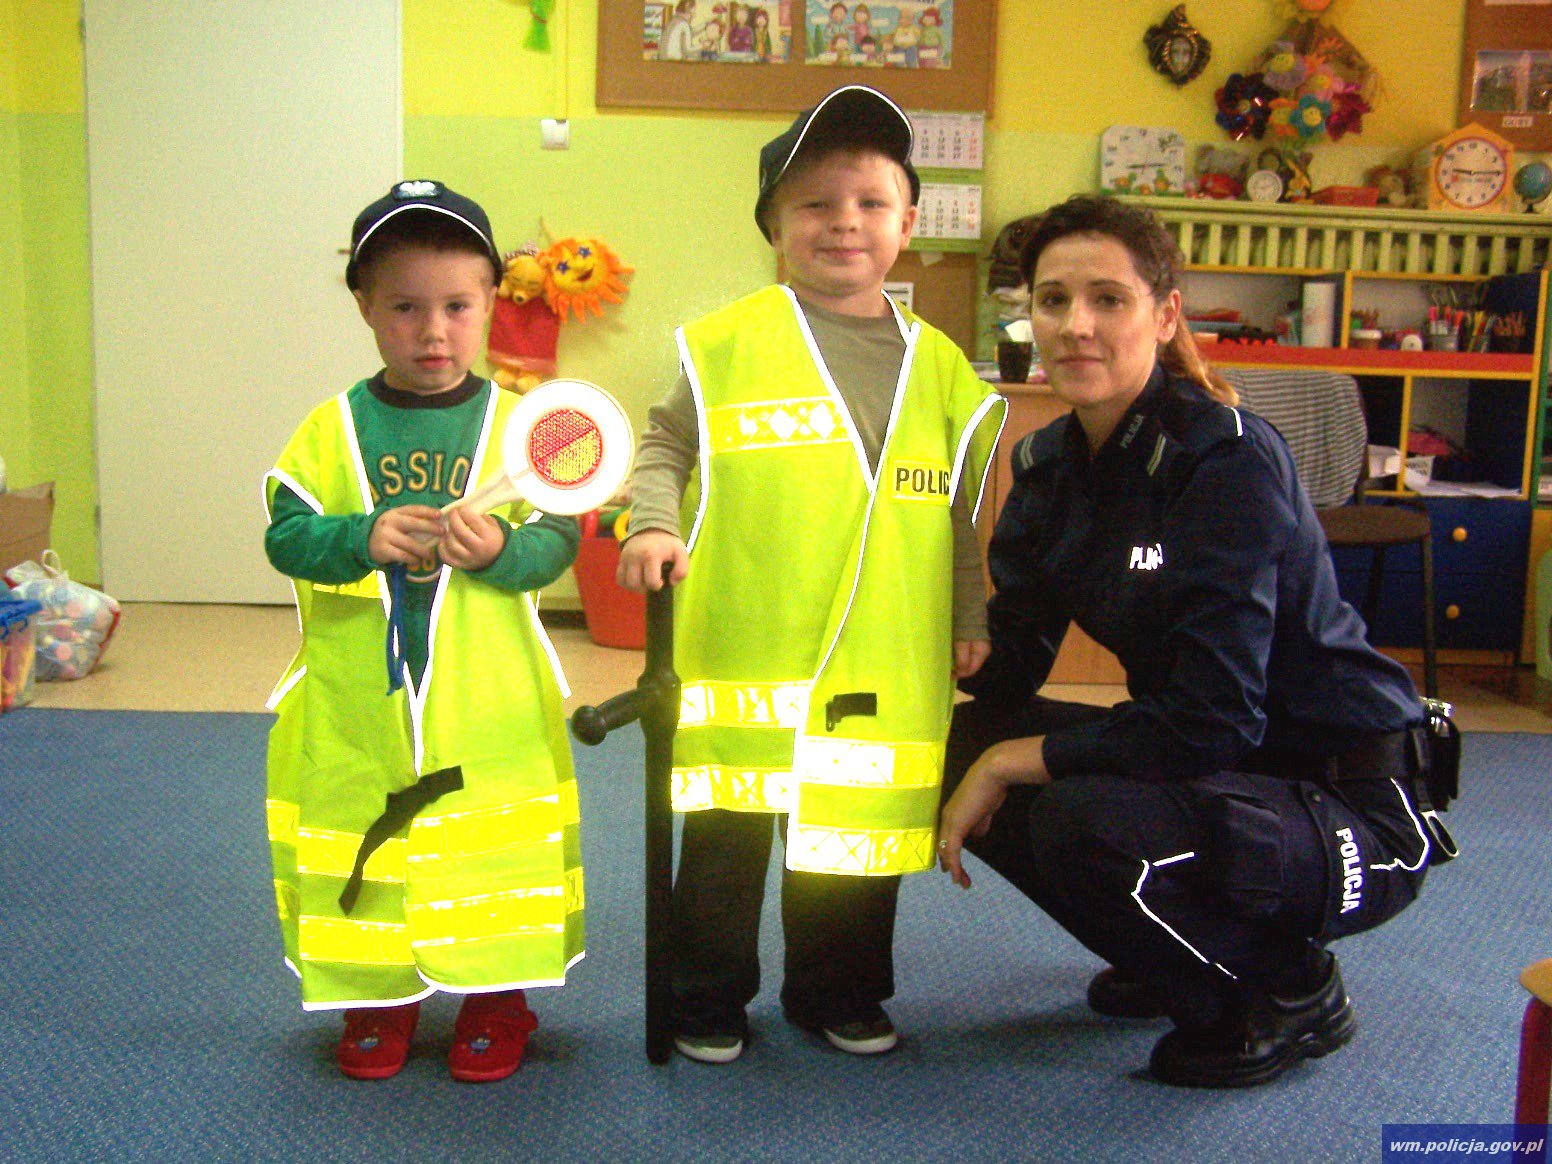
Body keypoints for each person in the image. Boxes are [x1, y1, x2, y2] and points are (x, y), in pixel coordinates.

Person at [937, 194, 1453, 1089]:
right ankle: (1173, 945)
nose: (1075, 325)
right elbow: (1010, 666)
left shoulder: (1226, 460)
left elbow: (1213, 717)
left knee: (1071, 814)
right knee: (956, 747)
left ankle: (1286, 987)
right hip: (1223, 769)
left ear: (1165, 314)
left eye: (1108, 299)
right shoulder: (1048, 467)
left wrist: (1014, 761)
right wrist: (940, 633)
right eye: (1053, 300)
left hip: (1351, 802)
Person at [618, 84, 1006, 1064]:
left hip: (882, 647)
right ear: (774, 228)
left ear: (907, 225)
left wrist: (968, 610)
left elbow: (953, 509)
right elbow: (665, 444)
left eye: (871, 203)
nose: (845, 223)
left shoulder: (940, 367)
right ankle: (705, 997)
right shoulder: (727, 345)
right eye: (815, 204)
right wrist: (651, 522)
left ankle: (839, 990)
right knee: (726, 835)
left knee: (854, 836)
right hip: (748, 638)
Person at [262, 180, 585, 1083]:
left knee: (490, 853)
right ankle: (379, 998)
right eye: (405, 307)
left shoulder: (521, 426)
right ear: (365, 306)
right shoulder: (331, 428)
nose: (432, 331)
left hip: (488, 701)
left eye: (456, 306)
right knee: (366, 842)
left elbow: (557, 538)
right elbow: (286, 535)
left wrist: (502, 552)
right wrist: (358, 538)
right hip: (361, 701)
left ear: (491, 302)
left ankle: (498, 1000)